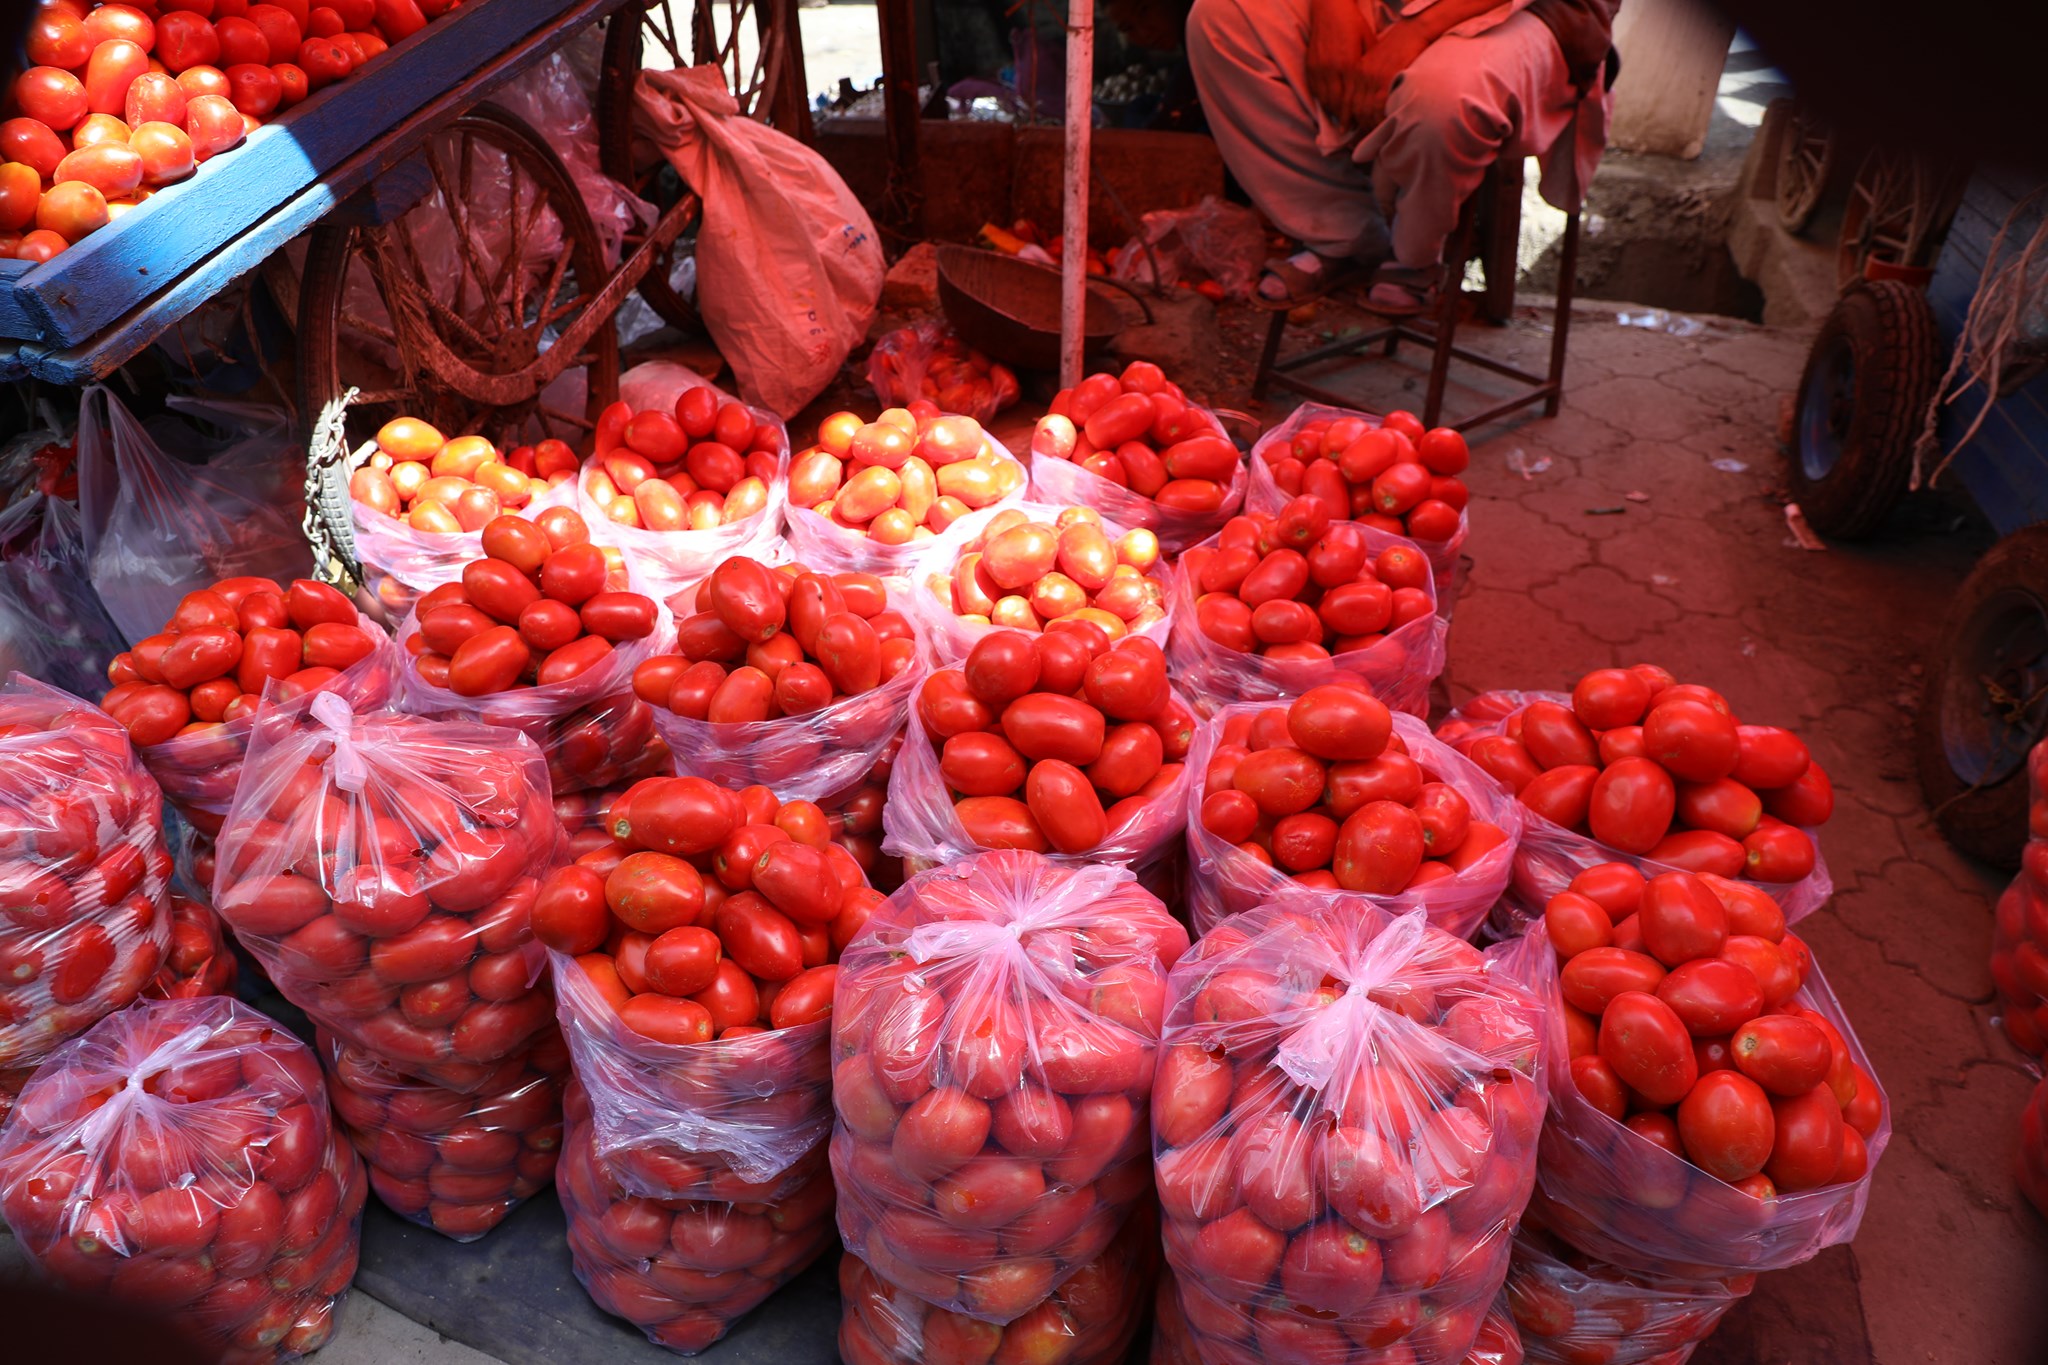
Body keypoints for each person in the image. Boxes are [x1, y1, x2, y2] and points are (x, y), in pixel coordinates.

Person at [1187, 0, 1618, 312]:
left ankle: (1415, 256)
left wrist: (1415, 32)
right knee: (1222, 18)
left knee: (1441, 98)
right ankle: (1346, 234)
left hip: (1529, 9)